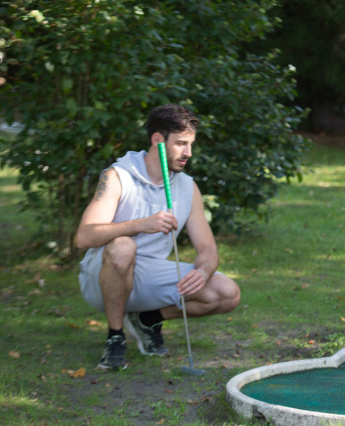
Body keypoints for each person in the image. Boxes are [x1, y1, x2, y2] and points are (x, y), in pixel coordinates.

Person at [75, 104, 241, 371]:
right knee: (122, 247)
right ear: (157, 140)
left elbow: (208, 248)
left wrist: (204, 271)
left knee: (227, 293)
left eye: (191, 144)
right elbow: (83, 237)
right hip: (101, 276)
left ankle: (148, 319)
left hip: (148, 276)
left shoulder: (187, 185)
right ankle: (115, 337)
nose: (188, 153)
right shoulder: (118, 177)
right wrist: (141, 224)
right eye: (181, 144)